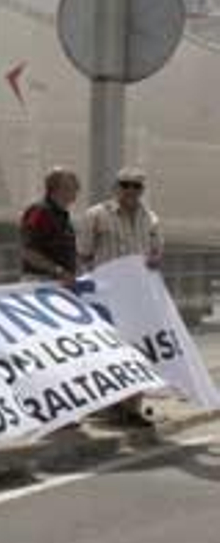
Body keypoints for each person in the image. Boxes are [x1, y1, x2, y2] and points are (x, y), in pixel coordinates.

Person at [80, 165, 163, 429]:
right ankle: (110, 404)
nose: (130, 190)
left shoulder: (151, 219)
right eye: (125, 184)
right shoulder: (96, 215)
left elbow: (157, 252)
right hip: (107, 297)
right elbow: (84, 253)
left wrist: (154, 260)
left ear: (142, 190)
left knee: (138, 350)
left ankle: (133, 408)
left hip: (138, 296)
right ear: (116, 187)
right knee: (108, 350)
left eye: (136, 185)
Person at [20, 167, 80, 284]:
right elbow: (28, 251)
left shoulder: (62, 215)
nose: (76, 192)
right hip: (40, 281)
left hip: (60, 281)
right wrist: (59, 270)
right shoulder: (39, 211)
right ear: (57, 189)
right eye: (73, 187)